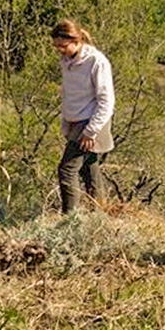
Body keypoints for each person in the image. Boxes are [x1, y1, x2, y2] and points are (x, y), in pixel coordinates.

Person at [52, 19, 115, 213]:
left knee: (67, 170)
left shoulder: (96, 61)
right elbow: (69, 94)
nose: (60, 51)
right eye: (57, 47)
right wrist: (66, 122)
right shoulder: (67, 62)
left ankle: (70, 219)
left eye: (63, 46)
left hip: (91, 121)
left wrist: (91, 131)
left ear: (76, 40)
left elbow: (106, 100)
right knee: (89, 167)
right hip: (75, 121)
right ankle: (99, 214)